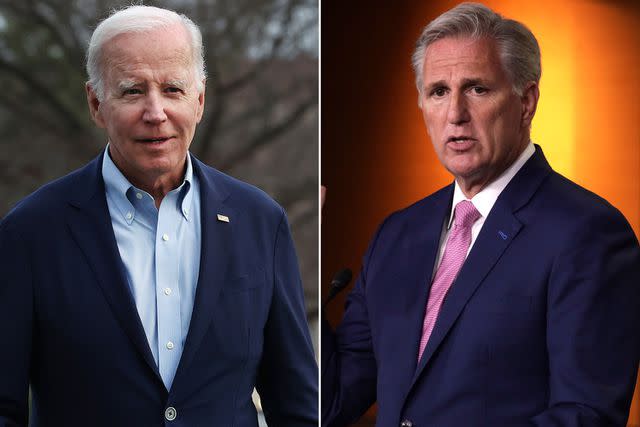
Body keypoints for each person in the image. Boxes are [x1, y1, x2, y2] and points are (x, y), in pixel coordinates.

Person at [322, 3, 640, 426]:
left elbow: (585, 415)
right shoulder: (397, 234)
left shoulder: (588, 233)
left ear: (526, 102)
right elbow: (332, 401)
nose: (455, 114)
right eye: (438, 91)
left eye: (476, 89)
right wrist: (298, 267)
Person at [0, 5, 317, 426]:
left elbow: (295, 401)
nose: (156, 112)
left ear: (199, 100)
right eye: (132, 91)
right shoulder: (30, 232)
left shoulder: (260, 221)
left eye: (173, 89)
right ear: (96, 104)